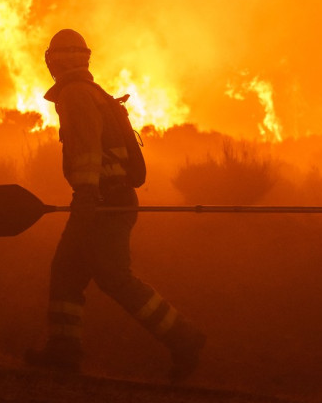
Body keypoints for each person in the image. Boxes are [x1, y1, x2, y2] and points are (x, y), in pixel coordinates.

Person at [25, 29, 205, 383]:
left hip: (103, 202)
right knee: (66, 271)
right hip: (104, 199)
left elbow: (89, 150)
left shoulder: (76, 95)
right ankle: (64, 351)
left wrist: (87, 198)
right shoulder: (91, 93)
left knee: (114, 277)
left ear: (56, 60)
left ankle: (184, 338)